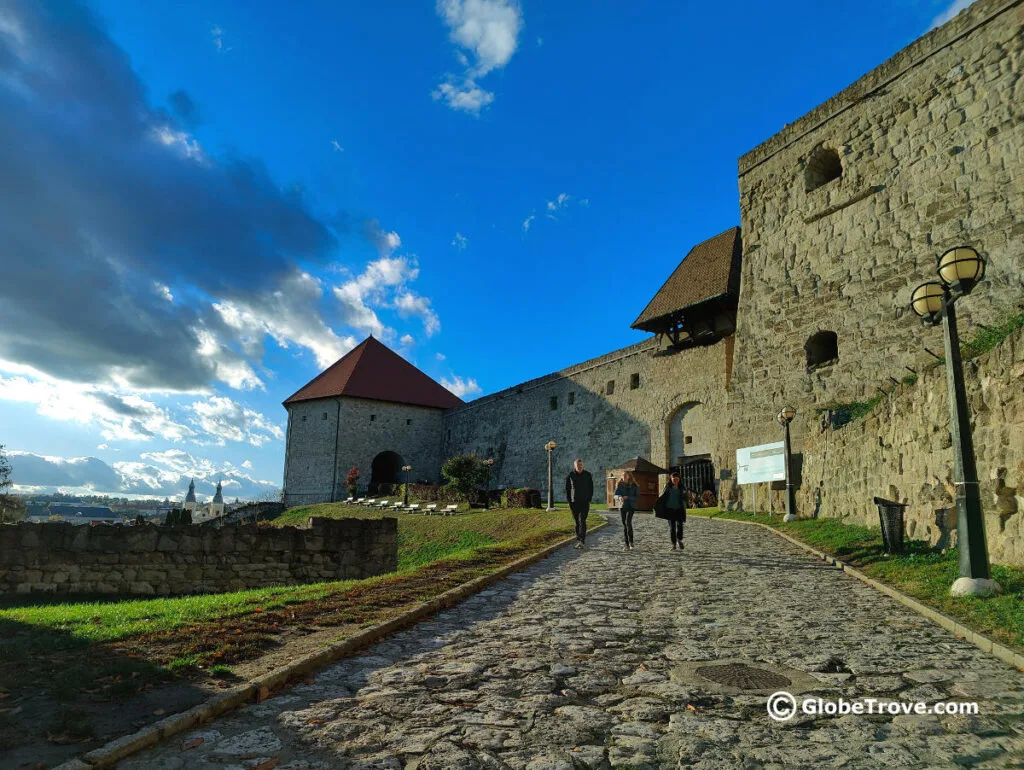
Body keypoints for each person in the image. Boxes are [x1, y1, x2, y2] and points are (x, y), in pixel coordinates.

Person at [654, 471, 687, 550]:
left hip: (679, 509)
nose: (675, 480)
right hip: (670, 509)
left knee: (680, 527)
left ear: (679, 479)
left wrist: (685, 494)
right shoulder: (668, 487)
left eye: (676, 479)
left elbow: (685, 497)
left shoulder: (682, 487)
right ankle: (674, 544)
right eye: (673, 479)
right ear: (671, 479)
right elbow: (662, 496)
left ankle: (679, 539)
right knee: (672, 528)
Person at [565, 459, 594, 549]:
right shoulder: (570, 475)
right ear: (575, 466)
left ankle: (582, 541)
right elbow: (567, 489)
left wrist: (589, 499)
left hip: (585, 502)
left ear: (583, 465)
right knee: (577, 522)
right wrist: (569, 501)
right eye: (577, 465)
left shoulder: (587, 475)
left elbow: (591, 487)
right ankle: (578, 540)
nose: (579, 466)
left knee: (583, 521)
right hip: (574, 502)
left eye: (581, 465)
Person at [614, 471, 639, 551]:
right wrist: (619, 497)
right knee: (624, 524)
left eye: (626, 475)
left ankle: (631, 541)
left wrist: (628, 497)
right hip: (622, 506)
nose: (624, 476)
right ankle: (627, 544)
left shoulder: (634, 486)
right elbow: (615, 495)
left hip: (631, 507)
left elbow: (637, 497)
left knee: (628, 522)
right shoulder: (619, 485)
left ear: (629, 476)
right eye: (623, 475)